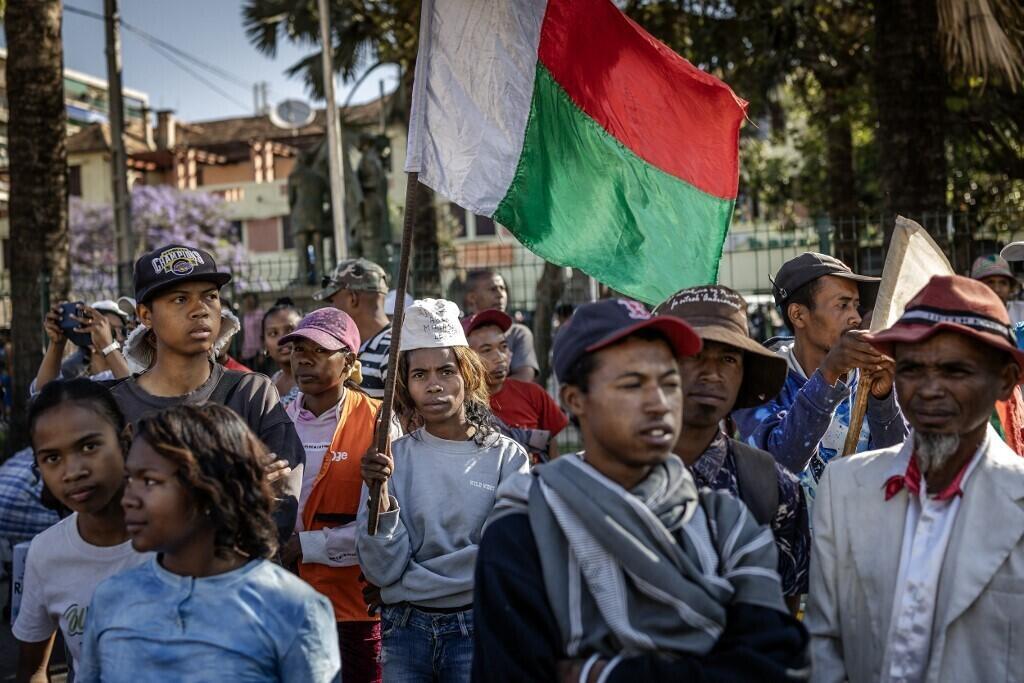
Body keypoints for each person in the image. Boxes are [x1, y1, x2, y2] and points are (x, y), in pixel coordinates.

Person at [473, 298, 809, 682]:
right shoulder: (525, 530)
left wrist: (603, 675)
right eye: (633, 384)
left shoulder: (725, 521)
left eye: (669, 383)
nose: (658, 403)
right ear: (575, 400)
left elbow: (778, 664)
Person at [807, 275, 1024, 682]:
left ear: (1005, 380)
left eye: (955, 371)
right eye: (911, 369)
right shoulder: (844, 488)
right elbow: (824, 646)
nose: (929, 390)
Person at [75, 404, 339, 682]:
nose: (128, 499)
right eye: (129, 479)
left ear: (213, 489)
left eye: (150, 481)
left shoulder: (293, 608)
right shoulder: (112, 598)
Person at [358, 298, 530, 683]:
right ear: (406, 385)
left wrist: (417, 582)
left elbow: (504, 558)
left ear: (467, 375)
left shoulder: (506, 458)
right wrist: (378, 495)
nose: (434, 385)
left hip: (478, 625)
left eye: (446, 371)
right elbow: (381, 569)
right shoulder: (392, 459)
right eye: (419, 374)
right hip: (404, 629)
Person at [107, 244, 304, 539]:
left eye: (210, 296)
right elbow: (113, 514)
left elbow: (279, 507)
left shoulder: (251, 393)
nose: (200, 309)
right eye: (180, 299)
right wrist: (236, 487)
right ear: (146, 315)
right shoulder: (114, 407)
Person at [655, 286, 810, 606]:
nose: (712, 373)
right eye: (695, 354)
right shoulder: (612, 474)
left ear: (743, 376)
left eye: (728, 359)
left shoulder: (775, 486)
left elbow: (782, 612)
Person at [733, 252, 907, 499]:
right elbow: (779, 466)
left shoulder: (871, 374)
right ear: (798, 315)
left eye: (856, 305)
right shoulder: (759, 380)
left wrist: (883, 401)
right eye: (842, 305)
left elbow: (900, 470)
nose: (856, 318)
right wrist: (828, 374)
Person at [279, 307, 389, 683]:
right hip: (290, 601)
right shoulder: (278, 419)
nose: (304, 359)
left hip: (356, 606)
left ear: (349, 363)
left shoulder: (378, 421)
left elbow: (386, 524)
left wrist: (304, 546)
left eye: (320, 350)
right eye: (298, 349)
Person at [14, 380, 149, 681]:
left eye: (89, 446)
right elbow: (33, 668)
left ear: (125, 440)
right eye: (52, 458)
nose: (73, 472)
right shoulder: (46, 552)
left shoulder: (182, 540)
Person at [463, 309, 568, 463]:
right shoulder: (461, 406)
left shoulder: (533, 394)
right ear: (467, 359)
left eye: (503, 346)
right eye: (486, 350)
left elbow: (552, 450)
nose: (499, 357)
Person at [315, 257, 393, 399]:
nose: (332, 309)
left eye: (333, 300)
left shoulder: (391, 352)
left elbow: (402, 411)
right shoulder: (353, 349)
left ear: (352, 299)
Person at [33, 299, 131, 395]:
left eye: (122, 331)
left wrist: (108, 346)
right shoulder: (72, 376)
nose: (120, 338)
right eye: (111, 331)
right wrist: (57, 344)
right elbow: (42, 396)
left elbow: (134, 395)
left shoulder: (132, 370)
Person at [463, 270, 539, 381]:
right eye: (493, 289)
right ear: (472, 297)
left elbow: (525, 377)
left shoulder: (518, 333)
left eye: (502, 288)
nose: (500, 295)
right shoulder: (458, 333)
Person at [262, 298, 303, 404]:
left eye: (290, 330)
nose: (282, 339)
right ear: (264, 343)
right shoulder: (272, 381)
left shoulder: (316, 382)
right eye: (273, 333)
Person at [239, 292, 265, 369]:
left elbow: (263, 333)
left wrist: (262, 352)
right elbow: (243, 334)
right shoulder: (244, 316)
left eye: (250, 300)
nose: (248, 302)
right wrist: (241, 351)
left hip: (257, 351)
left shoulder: (260, 314)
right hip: (246, 352)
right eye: (246, 300)